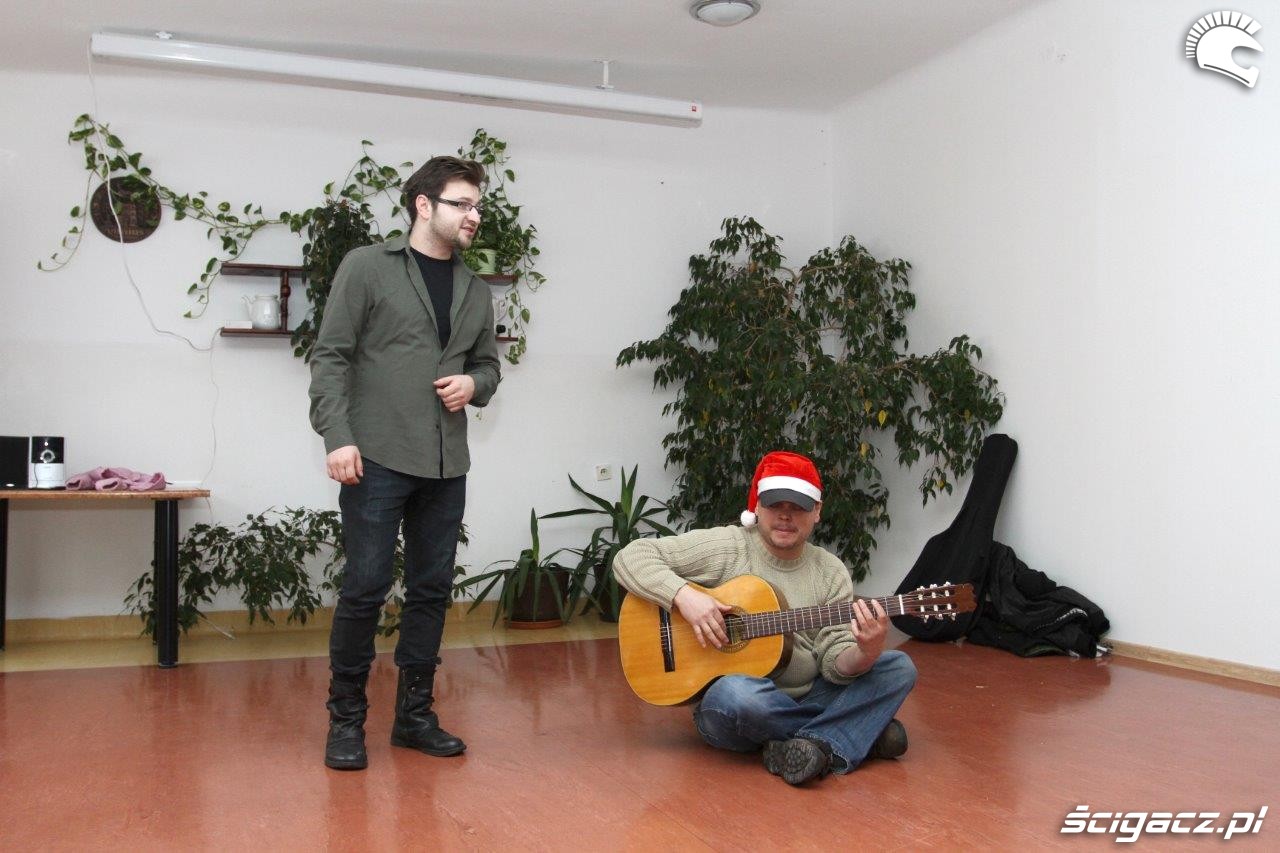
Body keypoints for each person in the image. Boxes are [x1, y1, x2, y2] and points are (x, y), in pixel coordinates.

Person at [309, 155, 501, 771]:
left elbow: (489, 366)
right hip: (376, 456)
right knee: (365, 588)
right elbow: (331, 355)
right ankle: (345, 721)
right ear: (424, 205)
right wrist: (337, 436)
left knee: (431, 590)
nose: (474, 215)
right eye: (462, 204)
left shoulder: (475, 290)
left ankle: (414, 717)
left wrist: (474, 384)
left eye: (477, 206)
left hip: (446, 463)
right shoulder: (367, 266)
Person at [612, 450, 917, 786]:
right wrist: (685, 598)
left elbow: (834, 663)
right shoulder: (728, 546)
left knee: (897, 667)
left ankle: (811, 746)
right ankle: (850, 733)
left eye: (798, 507)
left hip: (809, 694)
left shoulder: (831, 572)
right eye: (775, 505)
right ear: (757, 507)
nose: (785, 516)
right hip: (739, 704)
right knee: (736, 694)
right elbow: (631, 557)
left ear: (817, 511)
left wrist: (866, 651)